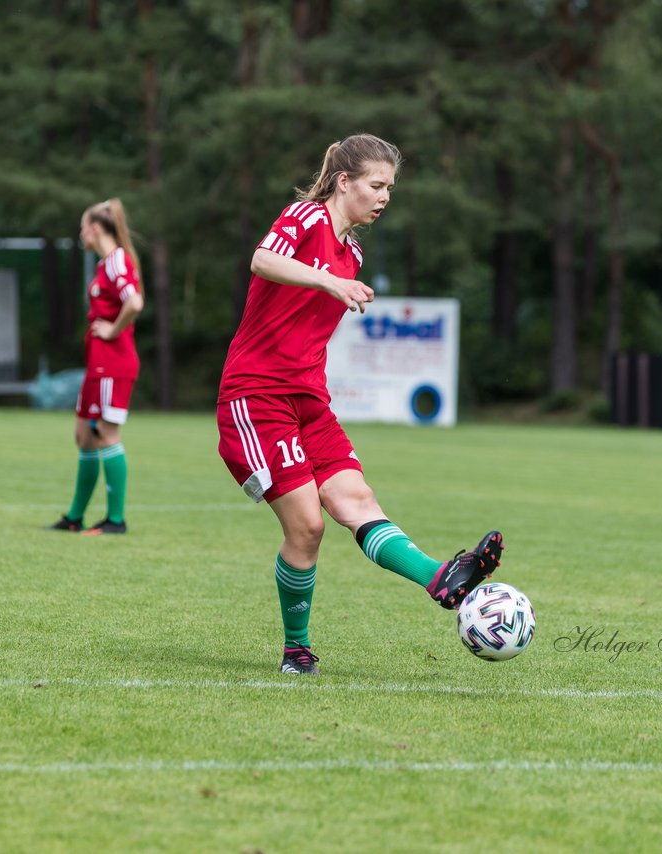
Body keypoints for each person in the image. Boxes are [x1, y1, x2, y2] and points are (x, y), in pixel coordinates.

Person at [216, 134, 504, 675]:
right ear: (343, 181)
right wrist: (329, 282)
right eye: (376, 185)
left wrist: (337, 280)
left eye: (390, 188)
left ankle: (441, 577)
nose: (384, 196)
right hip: (255, 398)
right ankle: (296, 649)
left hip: (310, 401)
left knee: (356, 499)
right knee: (308, 526)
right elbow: (262, 261)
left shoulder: (352, 254)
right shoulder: (305, 218)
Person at [47, 199, 145, 535]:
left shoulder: (117, 260)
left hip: (113, 364)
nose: (80, 234)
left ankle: (116, 520)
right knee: (84, 437)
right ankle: (75, 517)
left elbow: (135, 302)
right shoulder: (106, 264)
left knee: (106, 435)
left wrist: (113, 329)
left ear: (96, 229)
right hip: (98, 365)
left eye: (82, 227)